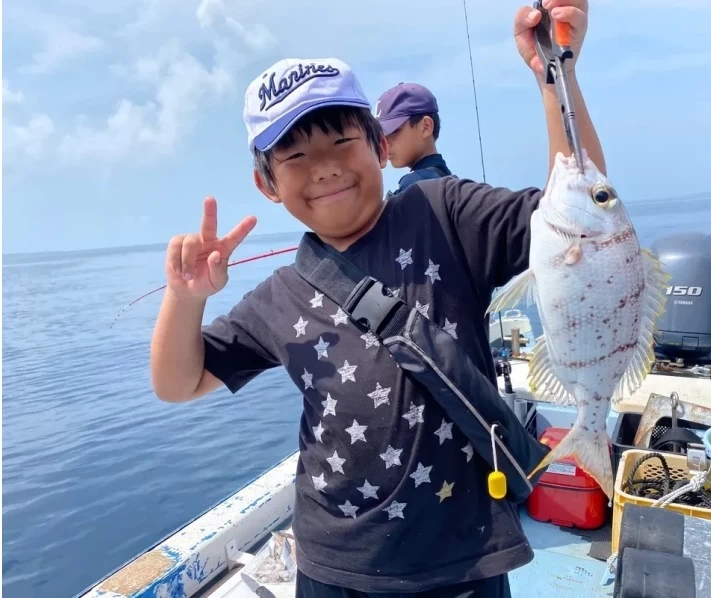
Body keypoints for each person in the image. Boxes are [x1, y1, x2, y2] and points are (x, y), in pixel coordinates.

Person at [150, 2, 604, 596]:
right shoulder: (278, 296)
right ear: (267, 183)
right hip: (334, 566)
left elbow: (581, 217)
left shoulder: (445, 213)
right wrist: (186, 300)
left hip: (463, 556)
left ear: (380, 146)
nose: (325, 168)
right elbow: (177, 383)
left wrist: (555, 73)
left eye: (343, 140)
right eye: (294, 156)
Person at [375, 82, 453, 194]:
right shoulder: (447, 181)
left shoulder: (416, 184)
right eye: (382, 136)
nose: (384, 143)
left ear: (426, 127)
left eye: (394, 131)